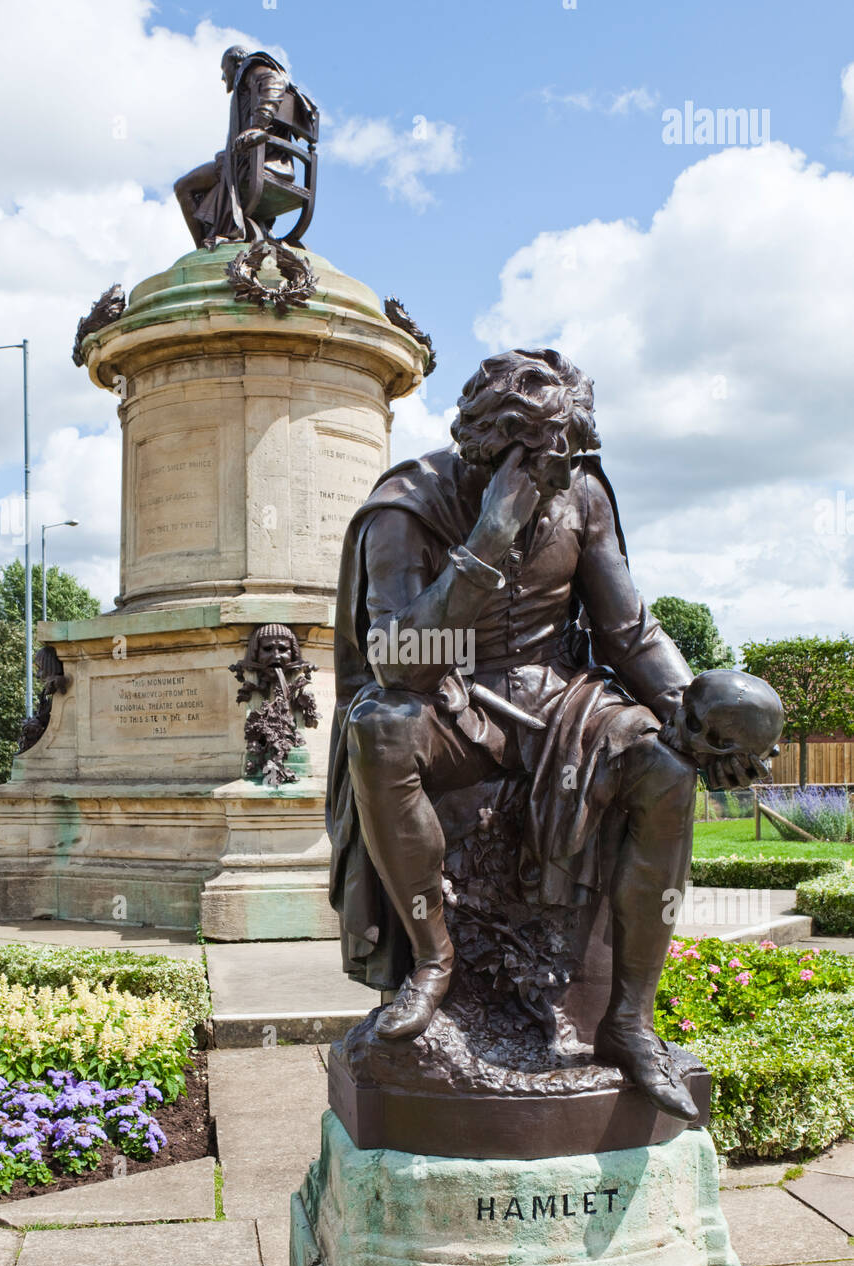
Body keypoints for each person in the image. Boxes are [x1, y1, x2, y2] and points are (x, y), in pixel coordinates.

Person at [328, 349, 772, 1122]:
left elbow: (628, 631)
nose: (572, 469)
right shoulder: (407, 504)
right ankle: (433, 963)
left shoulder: (584, 496)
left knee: (665, 770)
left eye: (577, 451)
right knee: (381, 728)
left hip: (559, 703)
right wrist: (488, 541)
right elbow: (398, 660)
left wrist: (699, 720)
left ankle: (629, 1019)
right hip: (448, 698)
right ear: (499, 446)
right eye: (555, 455)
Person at [174, 46, 294, 249]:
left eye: (224, 68)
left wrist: (259, 124)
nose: (223, 76)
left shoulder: (250, 68)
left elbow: (274, 81)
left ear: (236, 64)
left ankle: (203, 251)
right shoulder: (246, 80)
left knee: (183, 187)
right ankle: (216, 233)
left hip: (251, 164)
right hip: (252, 161)